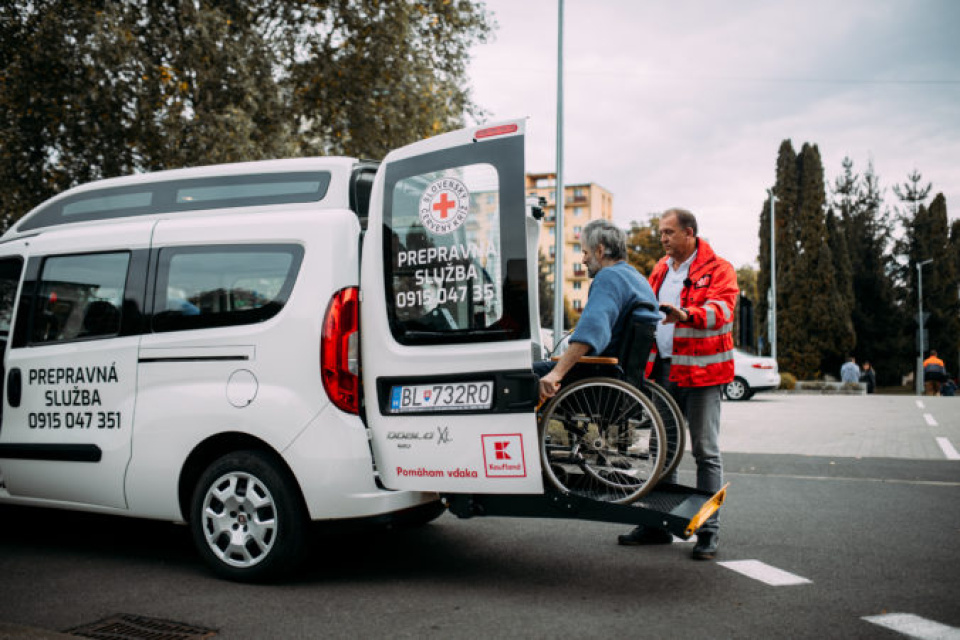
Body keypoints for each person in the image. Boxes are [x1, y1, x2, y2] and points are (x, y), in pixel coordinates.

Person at [617, 208, 738, 561]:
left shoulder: (719, 269)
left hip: (703, 375)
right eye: (661, 233)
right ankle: (657, 525)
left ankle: (708, 530)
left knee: (705, 452)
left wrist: (686, 315)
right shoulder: (660, 269)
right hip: (664, 372)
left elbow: (722, 311)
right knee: (662, 451)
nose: (663, 239)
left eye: (669, 232)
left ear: (690, 233)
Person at [536, 219, 660, 400]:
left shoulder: (608, 277)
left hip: (597, 377)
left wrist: (557, 373)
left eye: (585, 252)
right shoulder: (639, 280)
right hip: (623, 379)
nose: (583, 259)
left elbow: (592, 330)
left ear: (600, 251)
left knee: (524, 373)